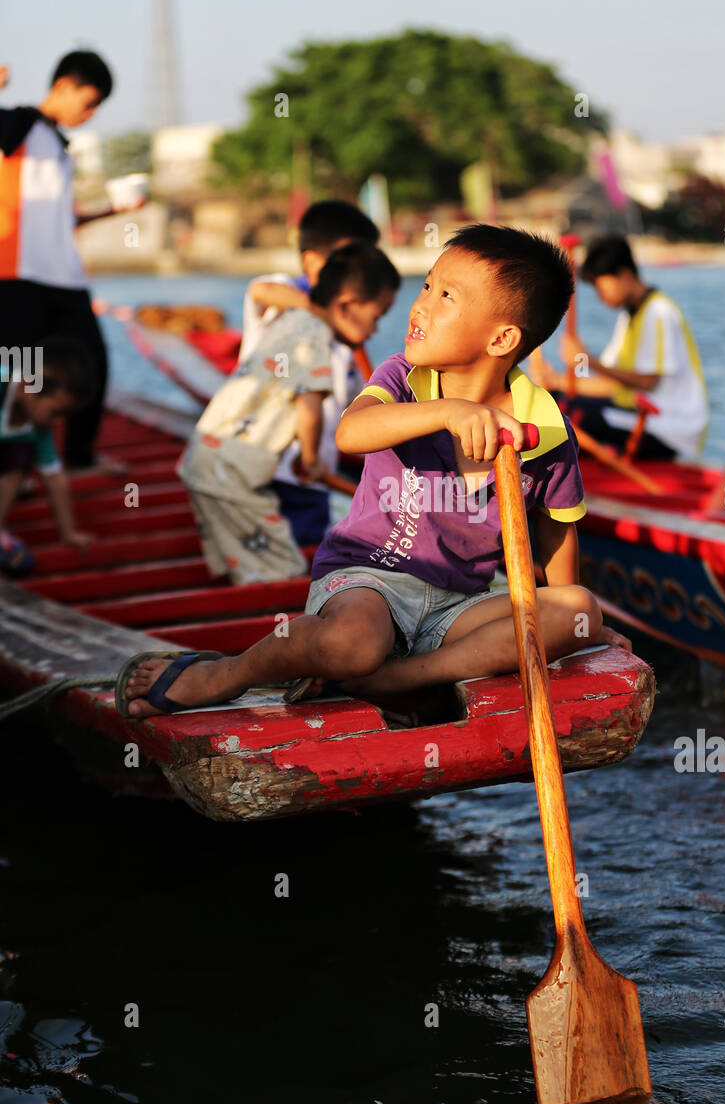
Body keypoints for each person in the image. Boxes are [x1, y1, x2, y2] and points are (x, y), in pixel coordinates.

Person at [117, 224, 628, 719]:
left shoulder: (546, 430)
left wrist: (571, 631)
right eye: (426, 285)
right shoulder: (402, 379)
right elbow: (351, 433)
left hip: (461, 602)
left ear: (501, 339)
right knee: (352, 644)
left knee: (578, 607)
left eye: (446, 296)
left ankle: (395, 679)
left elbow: (555, 533)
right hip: (370, 580)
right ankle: (225, 674)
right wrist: (448, 413)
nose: (420, 305)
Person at [176, 242, 400, 586]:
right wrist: (311, 459)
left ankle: (247, 595)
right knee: (285, 567)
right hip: (231, 473)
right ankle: (276, 612)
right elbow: (309, 408)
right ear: (346, 306)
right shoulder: (317, 336)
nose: (375, 331)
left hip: (206, 460)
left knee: (243, 562)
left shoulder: (292, 320)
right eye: (376, 318)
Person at [0, 53, 135, 471]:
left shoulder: (60, 148)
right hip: (18, 277)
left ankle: (79, 456)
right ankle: (15, 468)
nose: (90, 114)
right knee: (20, 376)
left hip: (66, 279)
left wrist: (114, 210)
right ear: (61, 86)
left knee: (90, 367)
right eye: (89, 102)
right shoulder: (19, 124)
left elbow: (62, 220)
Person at [239, 199, 381, 544]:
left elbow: (362, 401)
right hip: (268, 465)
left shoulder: (347, 333)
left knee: (306, 544)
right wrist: (320, 310)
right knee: (267, 545)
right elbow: (260, 290)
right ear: (314, 262)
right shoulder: (284, 296)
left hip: (312, 473)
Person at [534, 233, 708, 460]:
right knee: (555, 400)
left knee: (570, 415)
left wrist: (587, 360)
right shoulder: (630, 318)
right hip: (639, 412)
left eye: (601, 286)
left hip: (669, 425)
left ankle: (571, 471)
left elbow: (648, 381)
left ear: (624, 275)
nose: (600, 296)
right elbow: (610, 383)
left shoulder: (659, 313)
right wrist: (556, 381)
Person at [0, 337, 96, 573]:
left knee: (19, 458)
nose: (59, 422)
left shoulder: (37, 424)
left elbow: (54, 478)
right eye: (57, 412)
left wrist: (68, 533)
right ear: (27, 387)